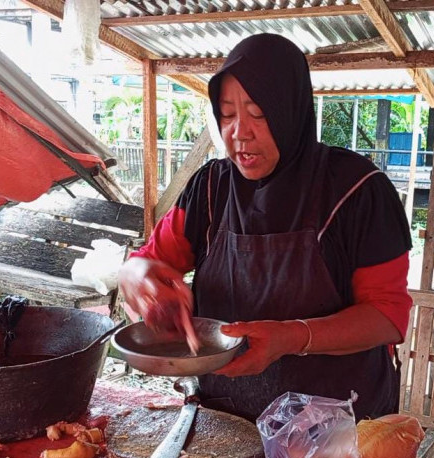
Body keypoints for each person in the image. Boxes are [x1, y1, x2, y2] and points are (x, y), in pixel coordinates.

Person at [119, 33, 412, 423]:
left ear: (290, 109)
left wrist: (292, 337)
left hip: (333, 427)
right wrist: (137, 276)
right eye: (227, 113)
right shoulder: (210, 187)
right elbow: (150, 261)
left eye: (258, 112)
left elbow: (387, 316)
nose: (240, 131)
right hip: (225, 418)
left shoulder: (358, 191)